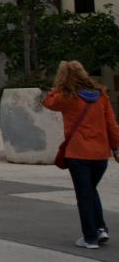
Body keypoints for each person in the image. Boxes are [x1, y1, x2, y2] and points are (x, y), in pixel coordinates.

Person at [43, 60, 119, 249]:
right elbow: (112, 125)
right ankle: (100, 229)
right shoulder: (101, 96)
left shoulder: (67, 97)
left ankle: (90, 238)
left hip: (78, 154)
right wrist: (116, 147)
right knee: (91, 191)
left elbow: (48, 102)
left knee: (84, 196)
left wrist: (57, 87)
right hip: (100, 155)